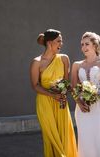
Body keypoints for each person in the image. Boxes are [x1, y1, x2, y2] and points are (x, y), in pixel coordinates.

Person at [30, 29, 77, 157]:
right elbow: (35, 85)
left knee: (64, 135)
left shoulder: (64, 59)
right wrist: (52, 95)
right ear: (50, 43)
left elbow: (67, 83)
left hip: (61, 103)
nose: (61, 44)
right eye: (59, 41)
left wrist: (64, 91)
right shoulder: (37, 62)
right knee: (51, 137)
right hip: (45, 103)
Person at [71, 32, 100, 157]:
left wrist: (97, 96)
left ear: (95, 45)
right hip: (82, 108)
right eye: (82, 44)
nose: (84, 47)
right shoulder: (76, 65)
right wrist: (79, 102)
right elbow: (73, 87)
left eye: (87, 44)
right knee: (85, 138)